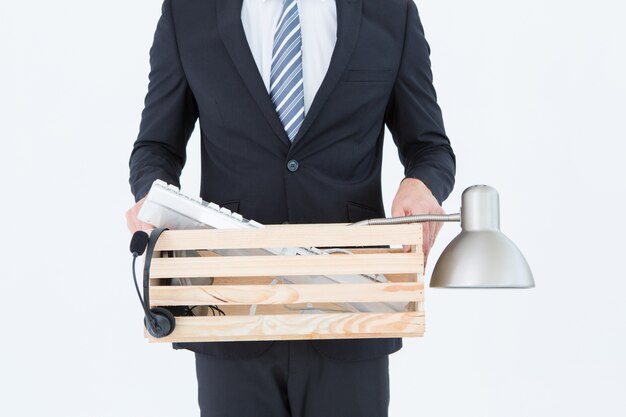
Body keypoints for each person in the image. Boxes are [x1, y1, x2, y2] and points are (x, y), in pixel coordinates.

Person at [126, 0, 455, 415]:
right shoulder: (187, 11)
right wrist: (152, 195)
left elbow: (429, 147)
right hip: (227, 309)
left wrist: (420, 185)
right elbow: (157, 145)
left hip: (353, 311)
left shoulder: (390, 10)